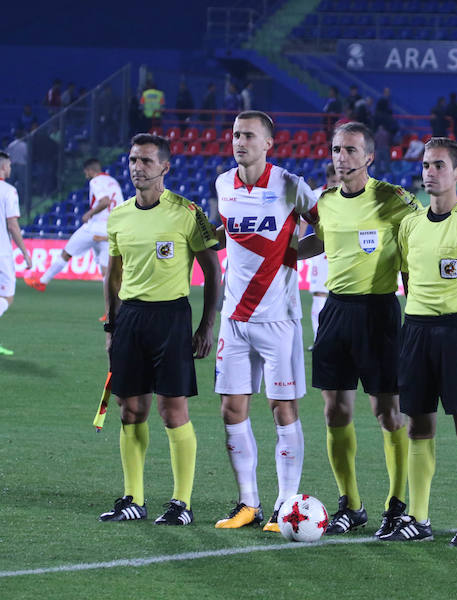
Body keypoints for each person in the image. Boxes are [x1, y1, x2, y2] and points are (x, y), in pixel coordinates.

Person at [381, 138, 457, 546]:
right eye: (425, 165)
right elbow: (407, 277)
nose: (429, 172)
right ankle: (418, 518)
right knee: (418, 425)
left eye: (438, 165)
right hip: (415, 330)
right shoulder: (409, 225)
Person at [98, 133, 220, 526]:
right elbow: (113, 275)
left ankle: (181, 503)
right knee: (130, 408)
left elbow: (212, 270)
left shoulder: (187, 212)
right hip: (131, 319)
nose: (138, 167)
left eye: (147, 161)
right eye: (134, 160)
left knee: (172, 410)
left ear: (165, 167)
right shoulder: (118, 215)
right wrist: (111, 325)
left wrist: (205, 325)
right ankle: (133, 497)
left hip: (172, 318)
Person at [308, 122, 423, 538]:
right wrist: (272, 253)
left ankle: (396, 505)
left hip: (379, 312)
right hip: (335, 310)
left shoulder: (395, 201)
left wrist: (417, 314)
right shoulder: (326, 202)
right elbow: (317, 243)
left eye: (351, 150)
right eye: (337, 149)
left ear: (369, 157)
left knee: (387, 412)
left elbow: (417, 251)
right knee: (334, 409)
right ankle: (350, 504)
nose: (342, 157)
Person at [211, 111, 319, 532]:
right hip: (234, 318)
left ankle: (285, 506)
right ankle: (248, 504)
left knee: (282, 409)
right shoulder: (223, 184)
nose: (241, 142)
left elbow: (324, 231)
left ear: (268, 143)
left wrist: (293, 254)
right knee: (231, 408)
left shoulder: (291, 185)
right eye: (236, 134)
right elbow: (227, 233)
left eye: (249, 136)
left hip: (279, 318)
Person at [25, 158, 124, 320]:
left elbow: (105, 201)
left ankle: (42, 281)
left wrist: (89, 213)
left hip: (93, 227)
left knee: (67, 253)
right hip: (110, 228)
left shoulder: (96, 181)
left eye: (86, 173)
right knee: (106, 271)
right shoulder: (113, 181)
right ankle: (112, 309)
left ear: (90, 171)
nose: (86, 176)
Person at [0, 152, 33, 356]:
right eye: (10, 165)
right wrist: (25, 252)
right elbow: (12, 225)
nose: (11, 168)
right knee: (6, 297)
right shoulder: (8, 191)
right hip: (1, 253)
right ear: (3, 167)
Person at [305, 163, 339, 351]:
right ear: (327, 179)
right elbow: (303, 222)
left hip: (343, 252)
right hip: (320, 252)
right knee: (320, 293)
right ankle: (320, 340)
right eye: (333, 181)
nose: (336, 185)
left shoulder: (348, 195)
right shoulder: (316, 196)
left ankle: (337, 340)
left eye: (339, 181)